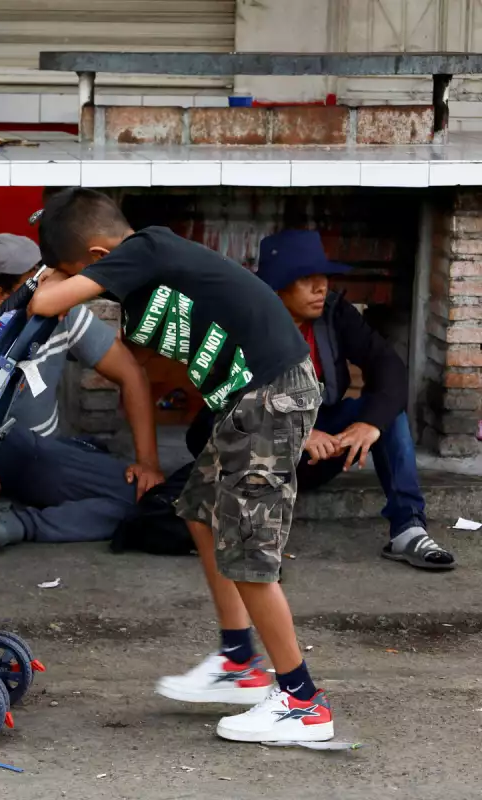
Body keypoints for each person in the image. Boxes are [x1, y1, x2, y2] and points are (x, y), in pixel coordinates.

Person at [29, 189, 334, 743]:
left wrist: (45, 284)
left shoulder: (146, 249)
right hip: (246, 401)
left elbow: (45, 305)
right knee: (199, 514)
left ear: (99, 257)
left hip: (270, 395)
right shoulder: (151, 277)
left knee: (245, 550)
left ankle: (302, 702)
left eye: (80, 273)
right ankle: (239, 662)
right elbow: (142, 354)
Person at [187, 229, 454, 570]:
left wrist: (369, 424)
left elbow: (387, 365)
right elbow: (209, 422)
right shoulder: (242, 325)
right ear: (277, 287)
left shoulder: (333, 313)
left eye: (323, 276)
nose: (321, 287)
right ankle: (253, 544)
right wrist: (291, 432)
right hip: (263, 459)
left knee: (388, 413)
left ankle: (408, 529)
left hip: (320, 453)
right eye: (306, 279)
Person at [0, 233, 161, 558]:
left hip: (38, 453)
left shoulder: (64, 313)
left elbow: (131, 374)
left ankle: (15, 523)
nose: (49, 286)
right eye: (34, 281)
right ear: (0, 294)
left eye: (47, 275)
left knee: (142, 497)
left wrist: (148, 463)